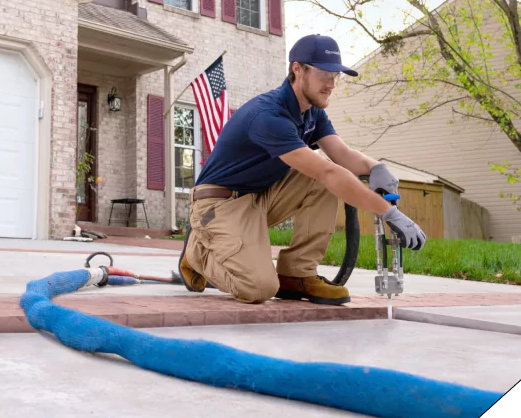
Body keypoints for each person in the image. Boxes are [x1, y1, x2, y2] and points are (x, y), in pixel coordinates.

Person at [178, 34, 426, 306]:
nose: (331, 84)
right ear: (297, 69)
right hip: (219, 205)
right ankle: (198, 254)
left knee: (325, 178)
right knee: (258, 288)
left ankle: (297, 274)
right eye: (324, 74)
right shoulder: (269, 116)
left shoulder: (311, 112)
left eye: (335, 76)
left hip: (259, 196)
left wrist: (374, 166)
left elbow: (342, 155)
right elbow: (329, 174)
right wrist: (387, 211)